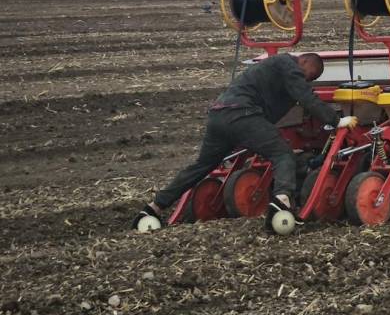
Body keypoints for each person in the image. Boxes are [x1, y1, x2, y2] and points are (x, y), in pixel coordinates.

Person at [133, 51, 352, 230]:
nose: (307, 80)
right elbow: (305, 96)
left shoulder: (271, 69)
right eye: (309, 76)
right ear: (303, 60)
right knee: (283, 154)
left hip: (219, 115)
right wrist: (335, 120)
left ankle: (154, 207)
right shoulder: (288, 64)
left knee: (202, 166)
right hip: (243, 115)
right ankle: (282, 202)